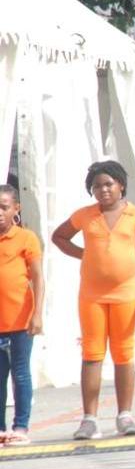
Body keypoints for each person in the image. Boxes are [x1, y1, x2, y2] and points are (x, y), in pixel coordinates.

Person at [52, 161, 135, 439]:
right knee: (92, 355)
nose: (103, 189)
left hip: (126, 294)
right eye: (97, 186)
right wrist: (83, 254)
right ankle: (89, 419)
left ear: (121, 185)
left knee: (124, 354)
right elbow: (58, 237)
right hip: (92, 296)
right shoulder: (85, 215)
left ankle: (125, 415)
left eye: (108, 184)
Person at [0, 185, 45, 446]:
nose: (0, 212)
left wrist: (37, 314)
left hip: (20, 321)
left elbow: (38, 278)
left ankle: (21, 426)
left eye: (4, 207)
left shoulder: (25, 238)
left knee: (20, 373)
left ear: (16, 208)